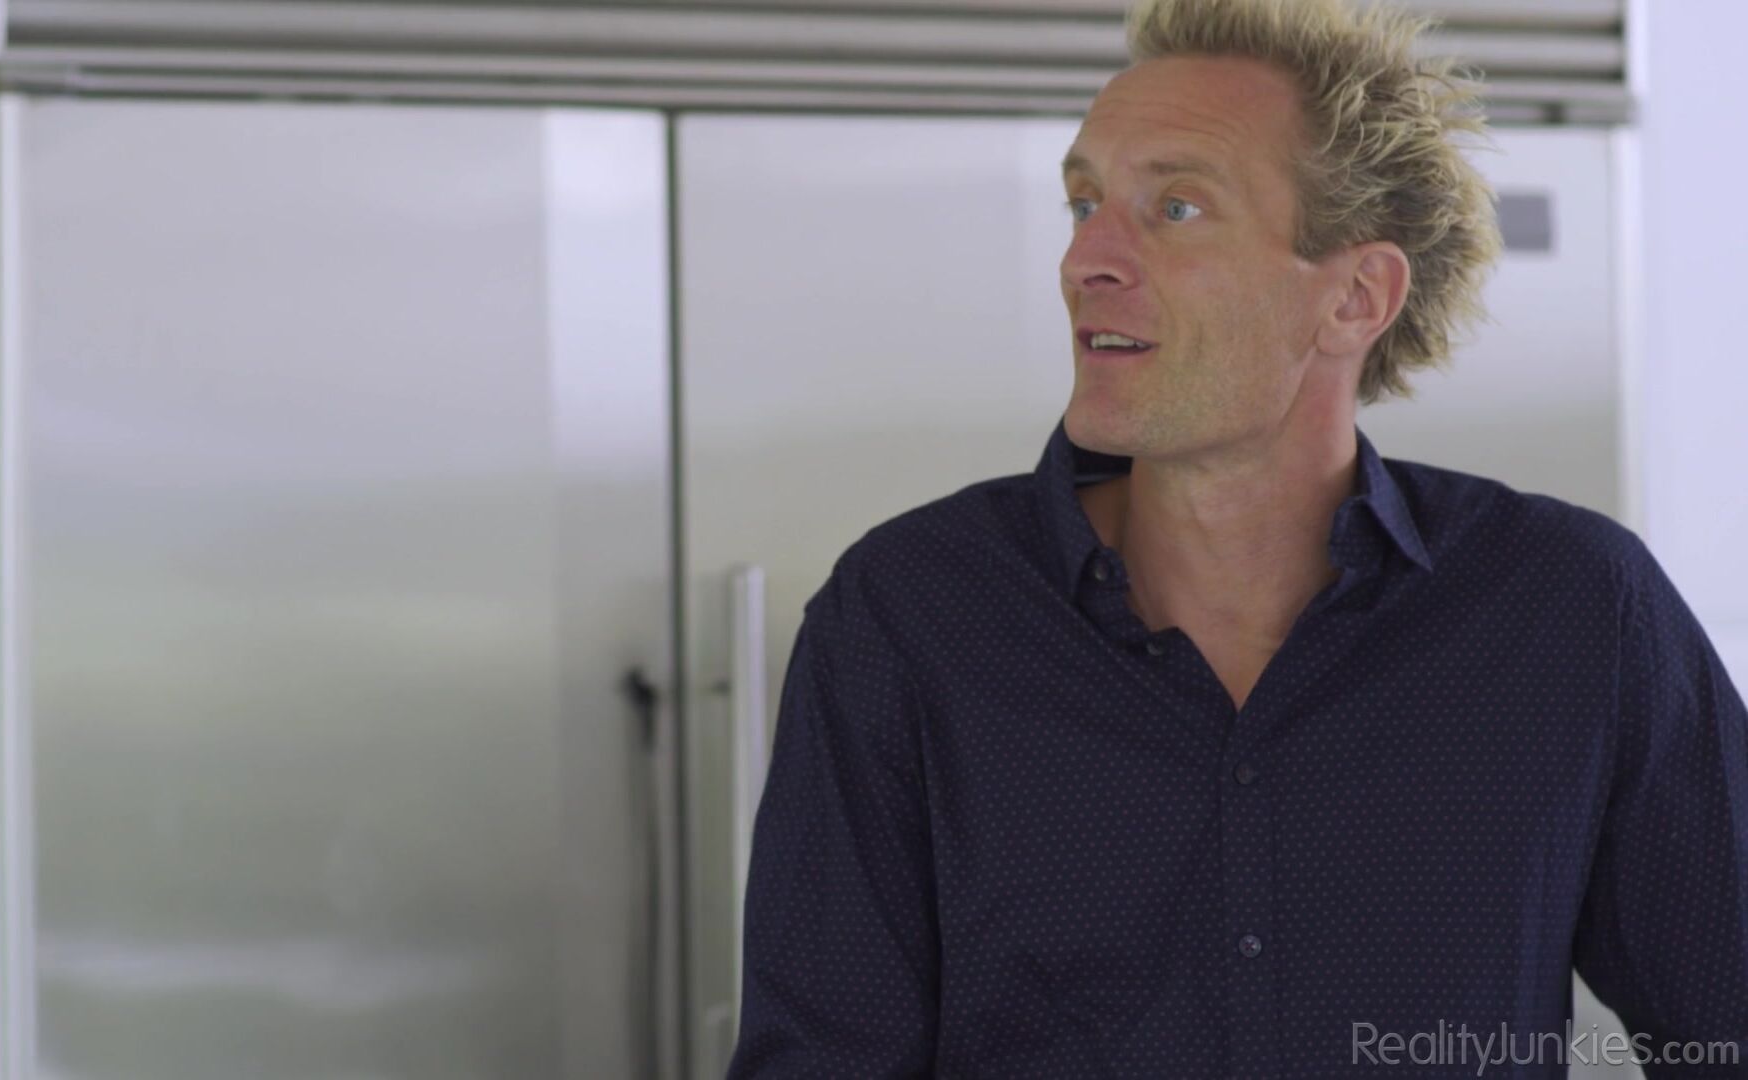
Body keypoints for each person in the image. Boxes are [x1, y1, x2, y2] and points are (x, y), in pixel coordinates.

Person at [726, 0, 1748, 1074]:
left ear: (1354, 298)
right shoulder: (909, 616)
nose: (1085, 259)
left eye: (1175, 207)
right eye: (1083, 203)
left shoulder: (1570, 610)